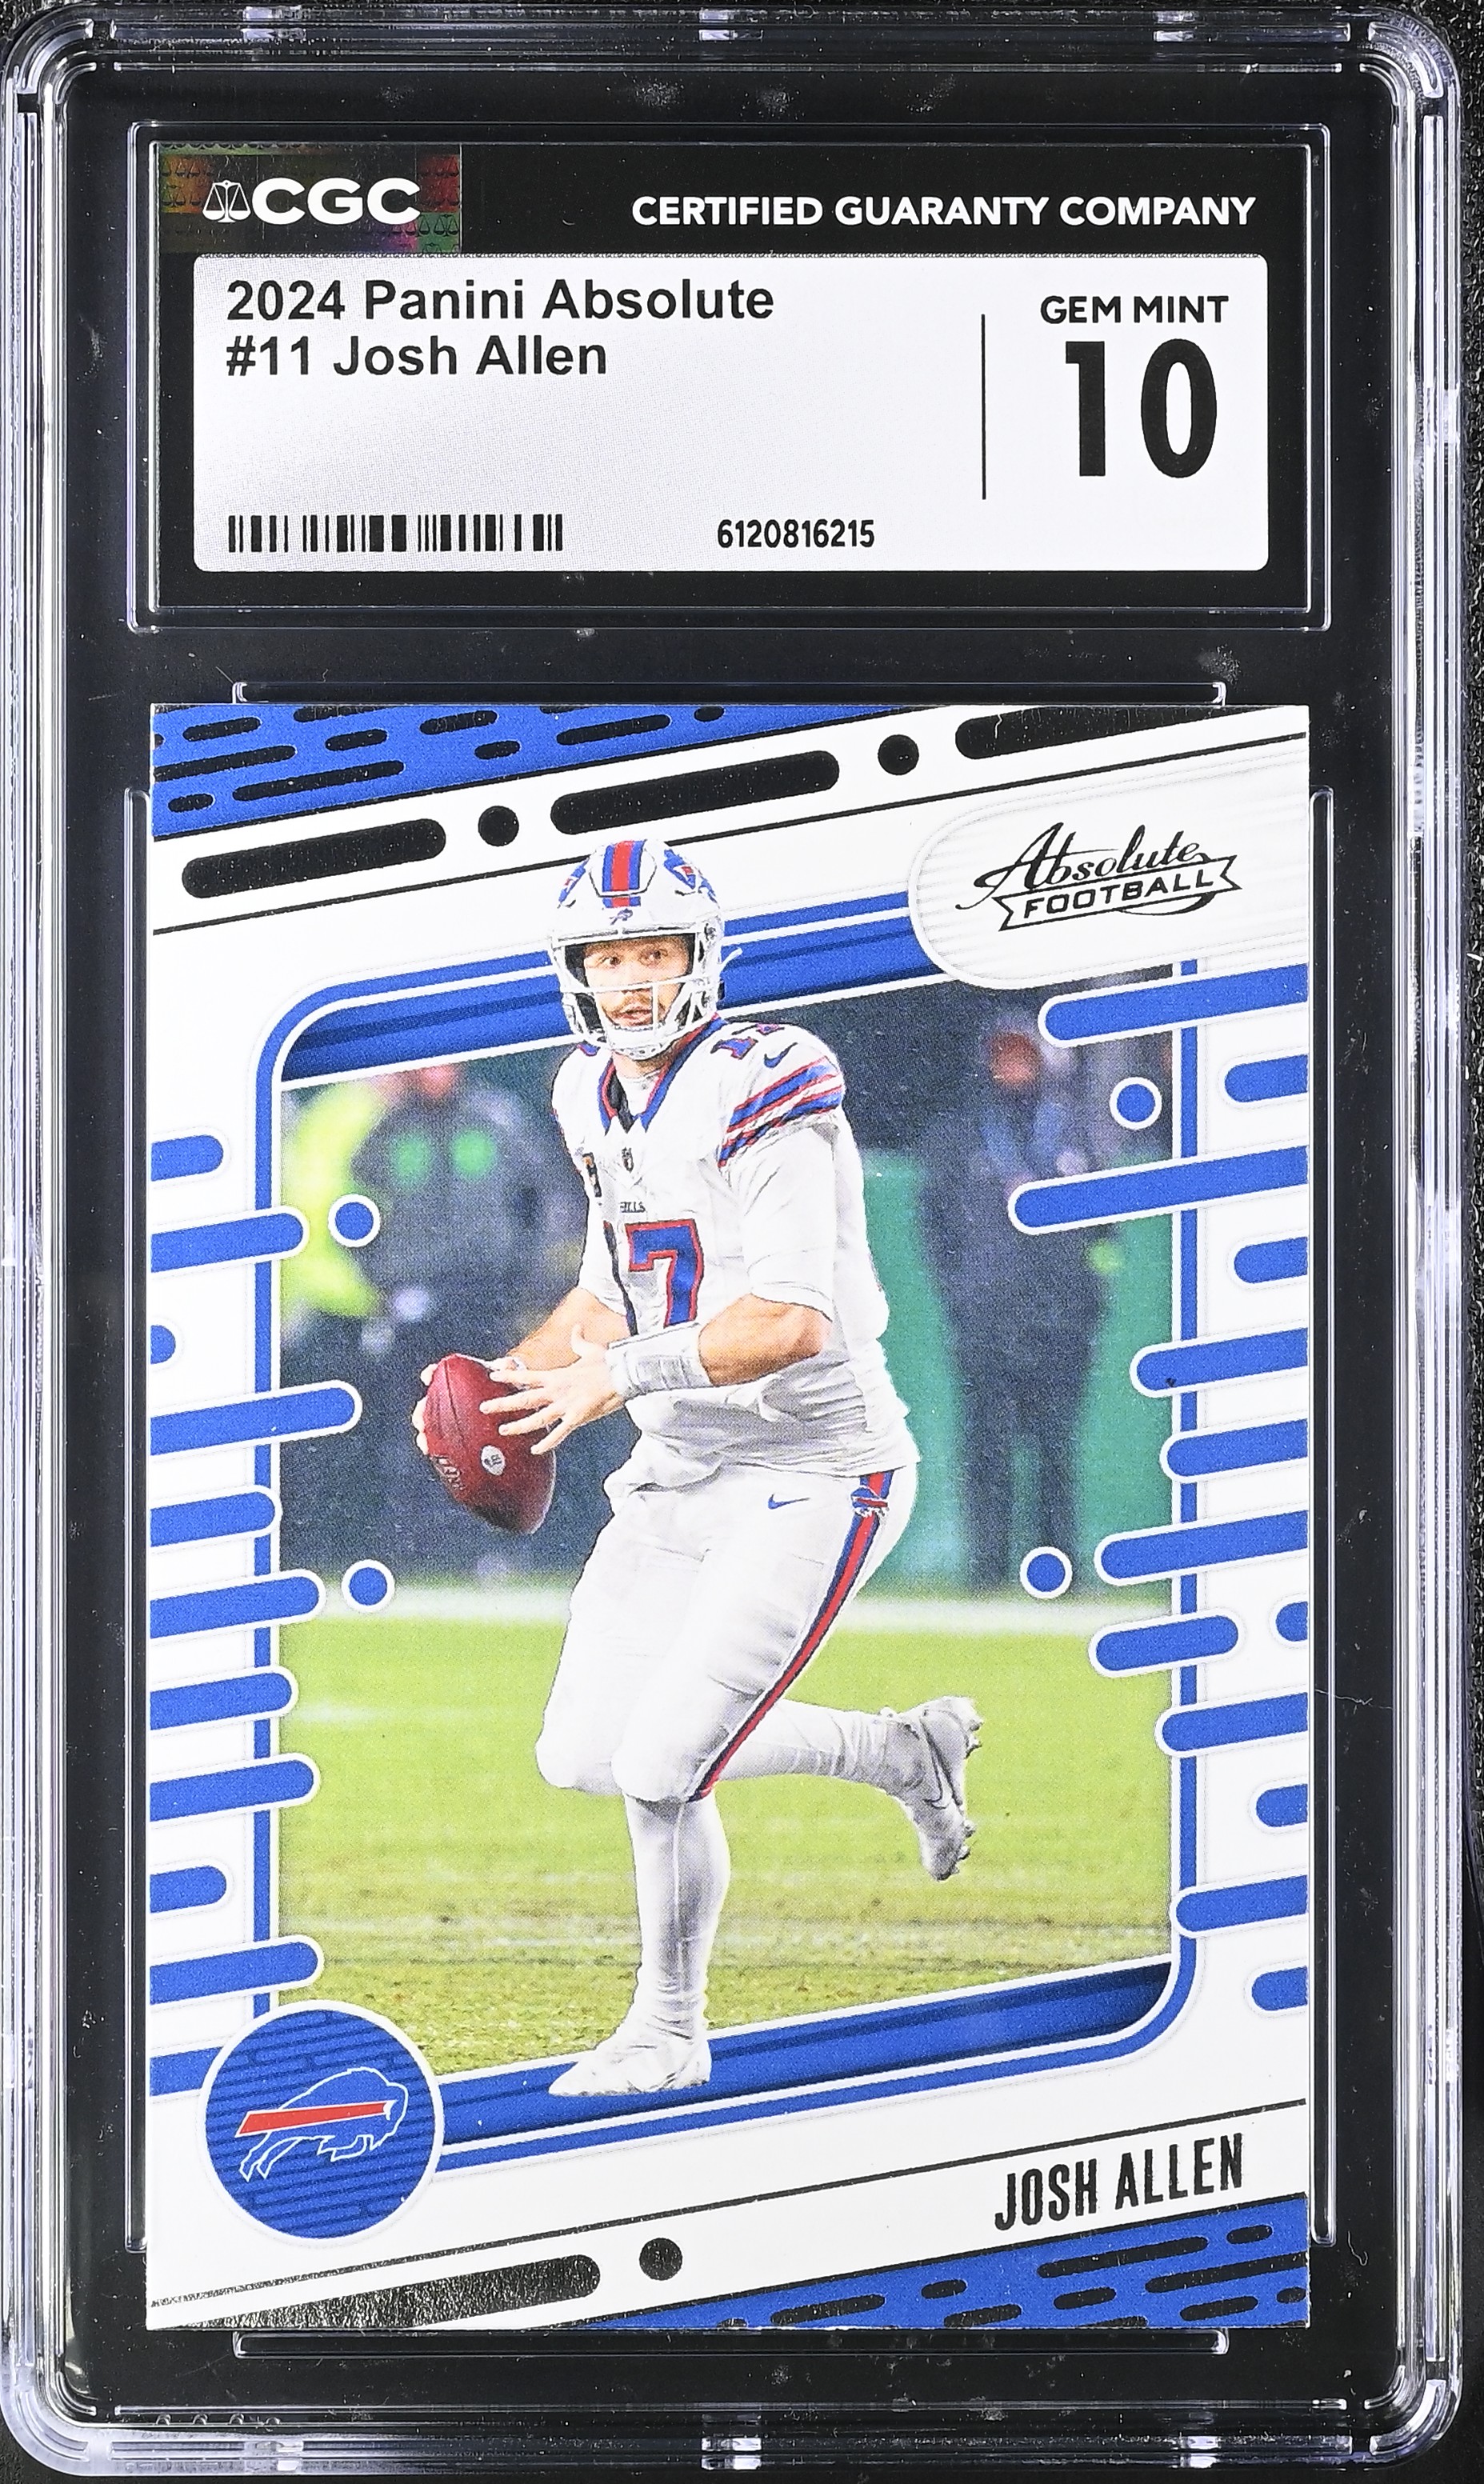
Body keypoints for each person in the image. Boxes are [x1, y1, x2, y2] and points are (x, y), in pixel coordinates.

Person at [415, 836, 979, 2095]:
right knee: (584, 1751)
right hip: (682, 1466)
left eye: (653, 952)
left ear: (699, 958)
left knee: (665, 1762)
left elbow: (790, 1322)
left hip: (816, 1466)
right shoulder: (583, 1092)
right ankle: (899, 1753)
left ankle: (668, 2031)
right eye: (608, 956)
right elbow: (605, 1296)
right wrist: (500, 1387)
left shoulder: (768, 1082)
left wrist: (616, 1379)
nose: (629, 981)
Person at [919, 1012, 1104, 1589]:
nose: (1012, 1068)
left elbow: (1106, 1233)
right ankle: (987, 1573)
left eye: (1023, 1056)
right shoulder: (958, 1137)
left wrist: (1088, 1301)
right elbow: (934, 1228)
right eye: (1002, 1057)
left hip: (1059, 1325)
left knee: (1054, 1451)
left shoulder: (1076, 1137)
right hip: (986, 1325)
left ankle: (1059, 1568)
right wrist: (962, 1295)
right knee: (987, 1450)